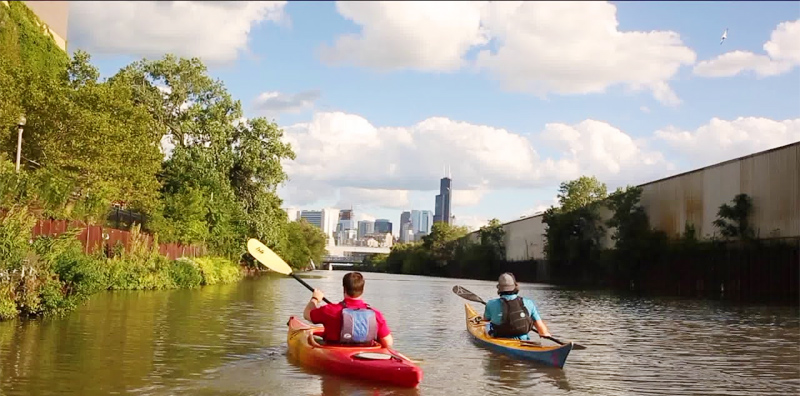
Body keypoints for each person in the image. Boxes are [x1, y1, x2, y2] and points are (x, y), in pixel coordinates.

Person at [303, 272, 394, 347]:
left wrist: (315, 299)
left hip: (335, 352)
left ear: (344, 288)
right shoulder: (375, 314)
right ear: (362, 289)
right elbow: (388, 343)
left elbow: (307, 314)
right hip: (366, 352)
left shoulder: (330, 310)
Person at [482, 272, 552, 341]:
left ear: (499, 288)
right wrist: (545, 333)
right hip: (523, 340)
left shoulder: (490, 304)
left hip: (499, 339)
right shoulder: (529, 303)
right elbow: (542, 330)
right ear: (515, 286)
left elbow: (485, 320)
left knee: (486, 326)